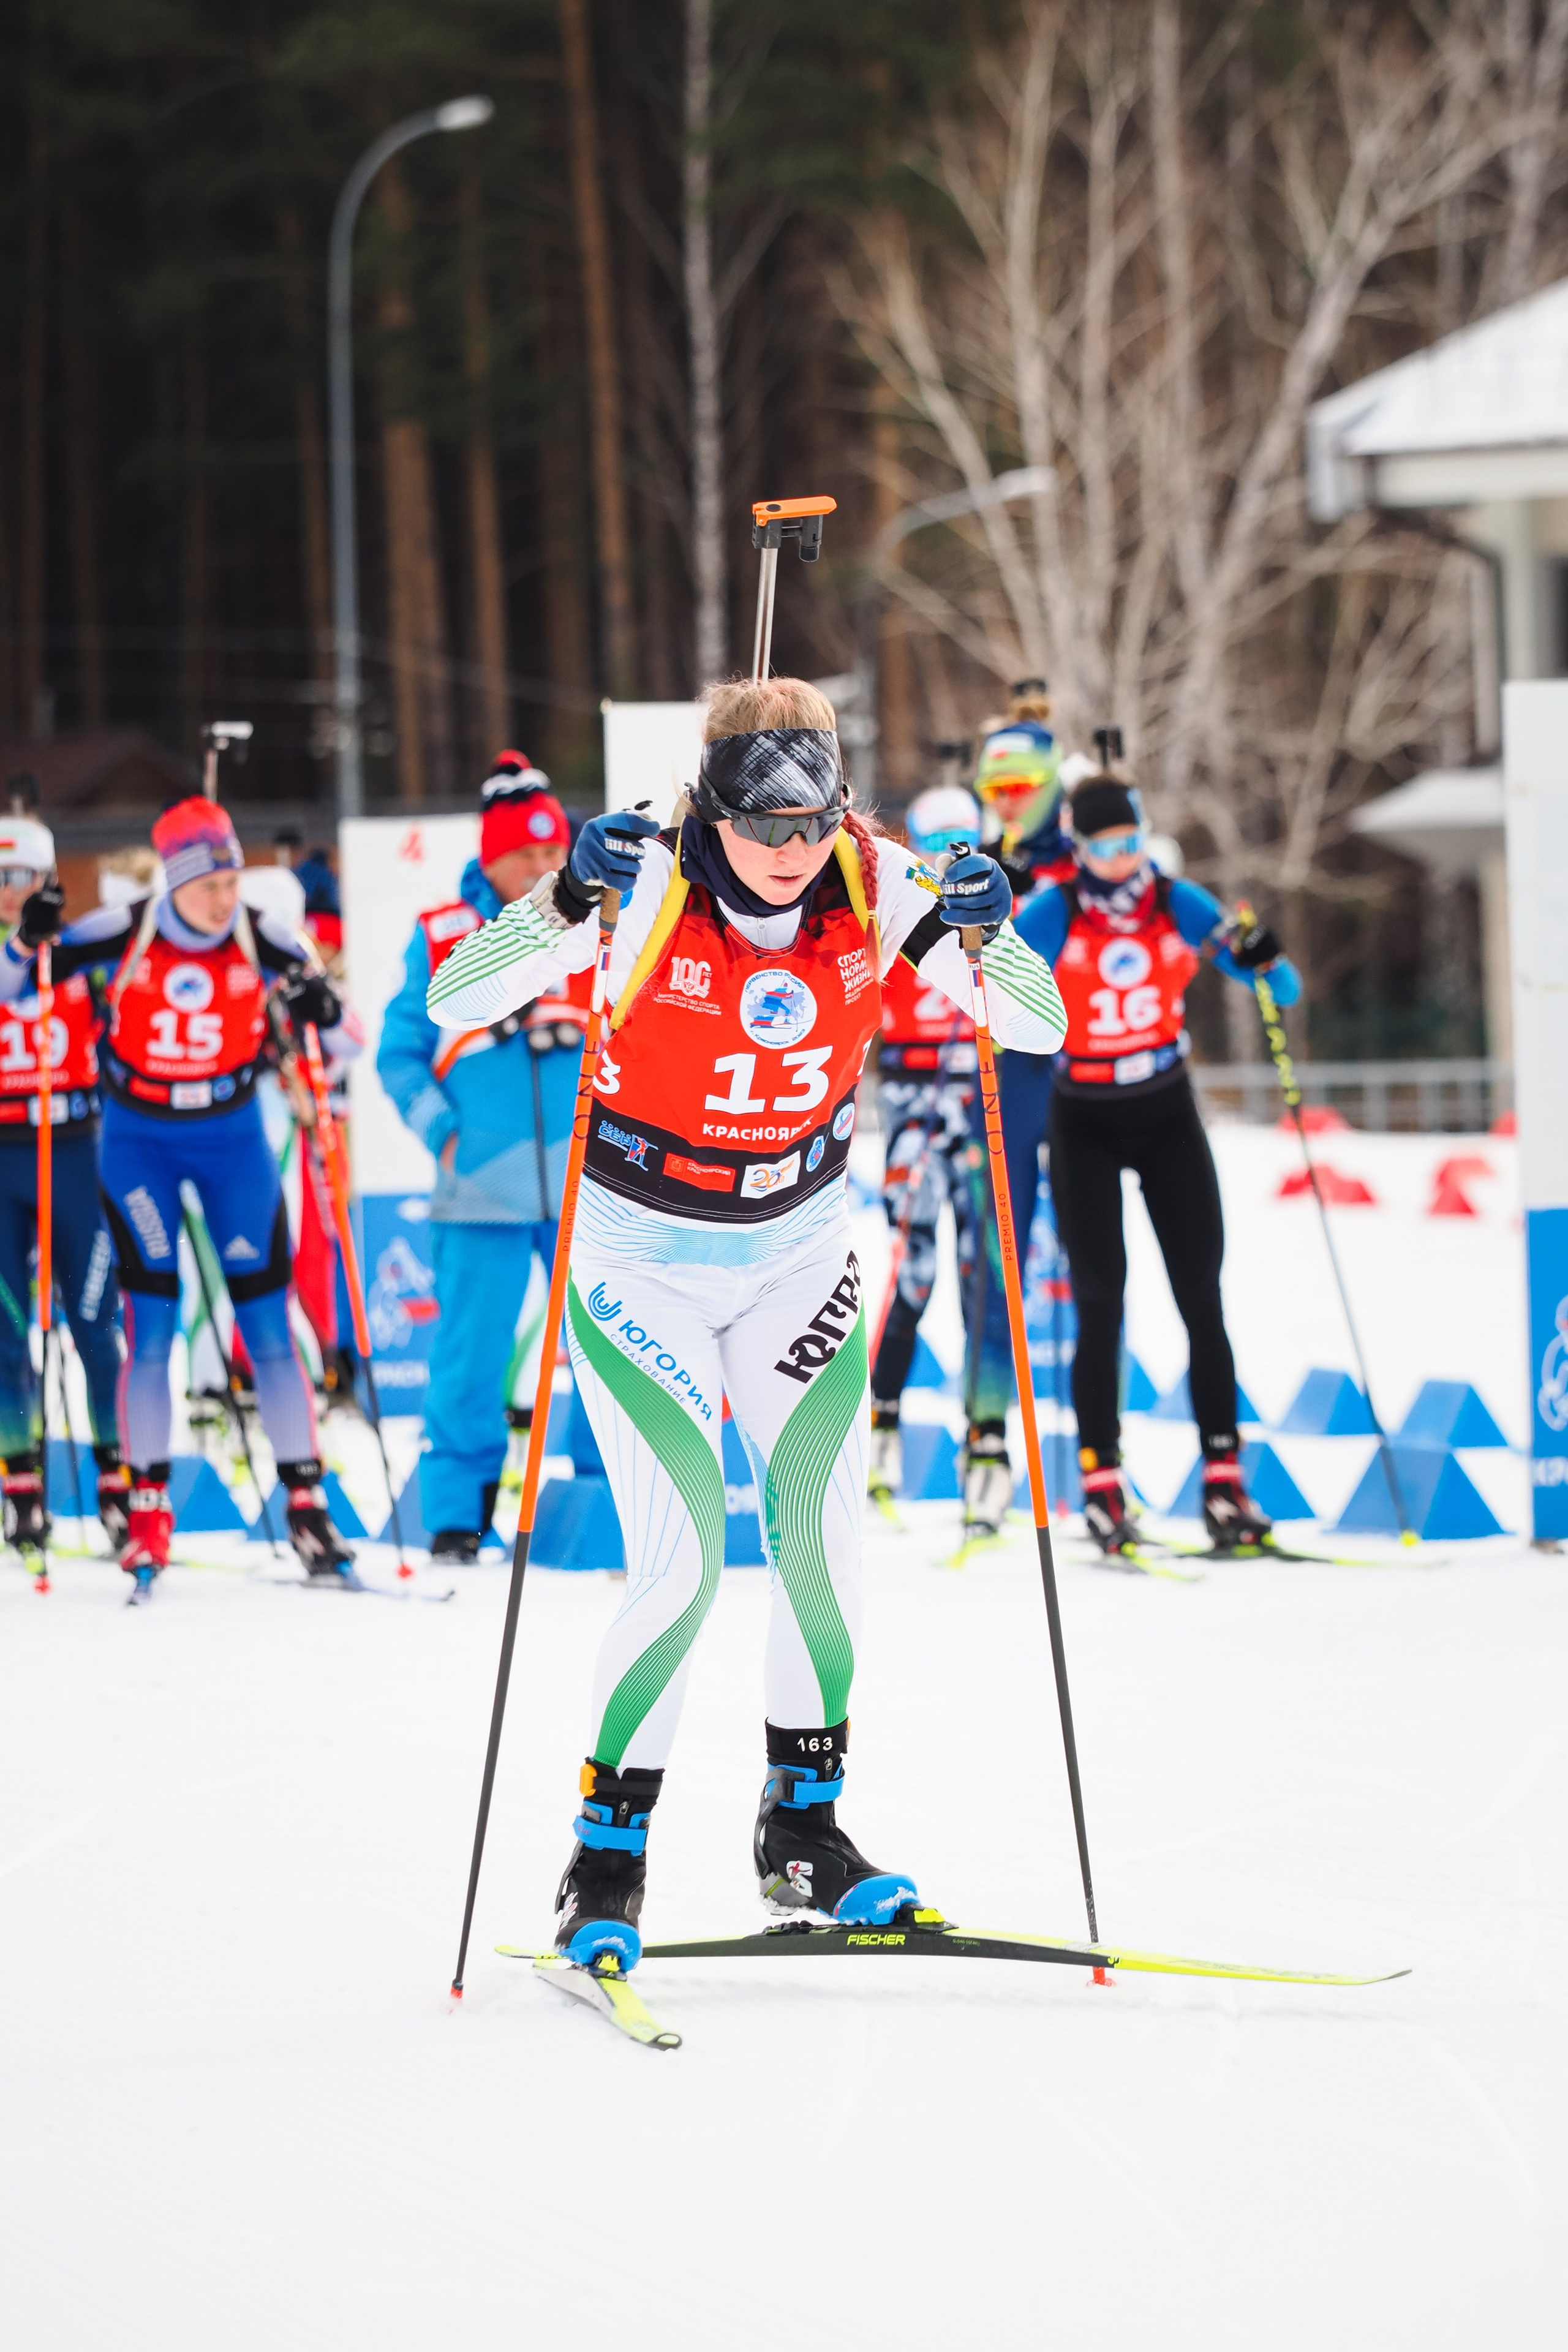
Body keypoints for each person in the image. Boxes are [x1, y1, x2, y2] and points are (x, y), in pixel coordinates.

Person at [428, 678, 1067, 1967]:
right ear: (711, 810)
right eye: (763, 826)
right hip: (641, 1261)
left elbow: (1038, 1023)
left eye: (811, 825)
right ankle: (605, 1855)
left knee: (822, 1553)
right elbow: (454, 998)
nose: (789, 853)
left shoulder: (874, 878)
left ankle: (804, 1835)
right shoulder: (643, 881)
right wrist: (556, 900)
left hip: (792, 1258)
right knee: (679, 1566)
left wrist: (993, 934)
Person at [1, 796, 363, 1595]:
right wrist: (31, 936)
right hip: (139, 1147)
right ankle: (147, 1510)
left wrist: (323, 1009)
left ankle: (306, 1505)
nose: (224, 900)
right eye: (209, 888)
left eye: (233, 882)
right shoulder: (123, 929)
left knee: (267, 1324)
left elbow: (346, 1036)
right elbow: (15, 985)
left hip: (232, 1142)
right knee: (152, 1322)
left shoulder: (259, 932)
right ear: (174, 883)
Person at [1014, 771, 1302, 1555]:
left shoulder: (1177, 901)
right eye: (1103, 846)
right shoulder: (1055, 909)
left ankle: (1223, 1478)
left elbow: (1282, 988)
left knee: (1200, 1297)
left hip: (1166, 1111)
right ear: (1077, 846)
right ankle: (1103, 1481)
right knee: (1101, 1300)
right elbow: (987, 986)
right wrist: (986, 940)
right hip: (1083, 1120)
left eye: (1130, 841)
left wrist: (1265, 959)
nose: (1119, 858)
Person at [378, 752, 587, 1559]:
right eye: (527, 855)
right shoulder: (441, 934)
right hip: (481, 1184)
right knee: (471, 1354)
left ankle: (615, 1497)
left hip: (586, 1179)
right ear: (490, 859)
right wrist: (444, 1133)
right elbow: (400, 1053)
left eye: (552, 852)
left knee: (611, 1349)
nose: (544, 867)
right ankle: (458, 1517)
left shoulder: (601, 921)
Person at [867, 785, 1012, 1528]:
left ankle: (987, 1447)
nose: (949, 856)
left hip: (977, 1101)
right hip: (913, 1105)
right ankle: (880, 1427)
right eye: (937, 841)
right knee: (911, 1267)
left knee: (985, 1274)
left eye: (963, 840)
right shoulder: (898, 905)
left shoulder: (990, 902)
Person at [0, 813, 128, 1556]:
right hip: (5, 1151)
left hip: (74, 1147)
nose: (14, 894)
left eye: (26, 879)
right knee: (8, 1333)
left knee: (93, 1325)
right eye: (2, 881)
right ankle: (21, 1485)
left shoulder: (80, 951)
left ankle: (115, 1482)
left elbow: (125, 1022)